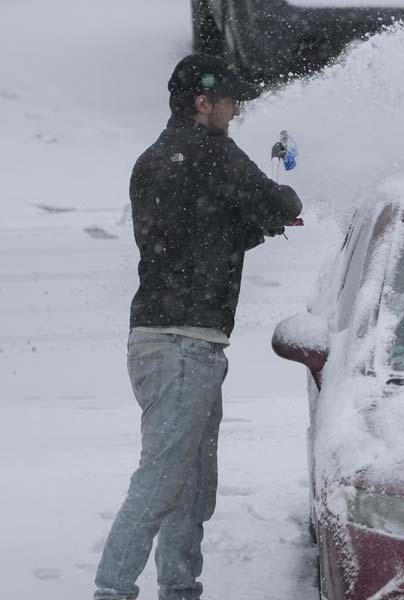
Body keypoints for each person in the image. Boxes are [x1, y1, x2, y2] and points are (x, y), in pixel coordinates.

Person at [93, 53, 303, 600]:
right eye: (232, 101)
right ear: (202, 103)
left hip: (170, 342)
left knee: (190, 487)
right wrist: (282, 204)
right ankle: (111, 591)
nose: (238, 110)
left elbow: (200, 238)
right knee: (162, 482)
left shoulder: (157, 159)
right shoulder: (210, 151)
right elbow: (275, 199)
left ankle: (180, 590)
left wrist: (256, 222)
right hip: (182, 347)